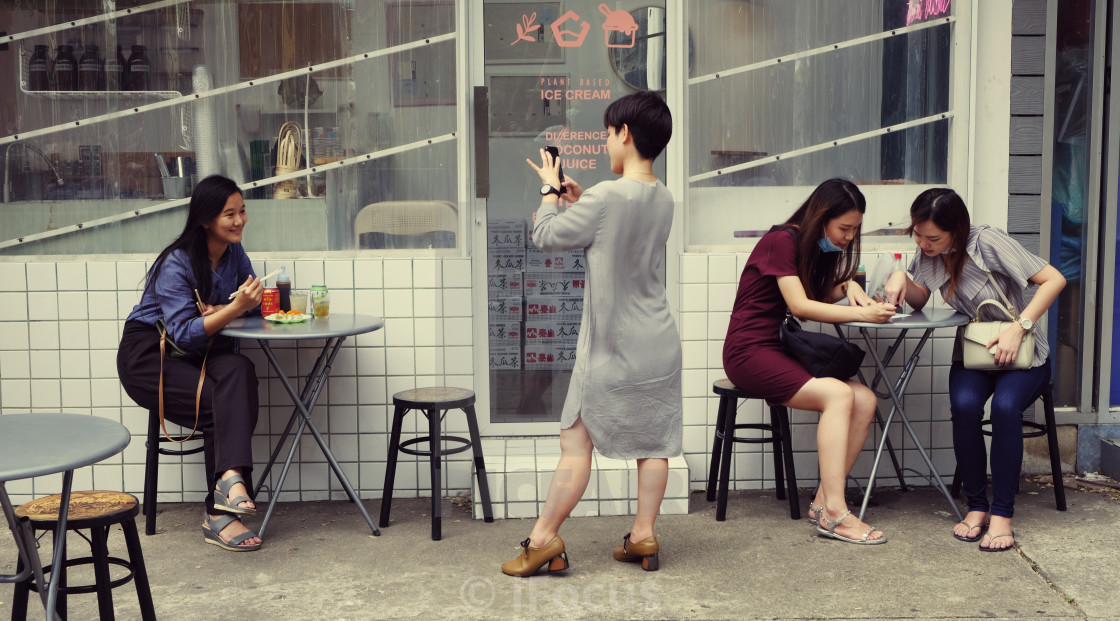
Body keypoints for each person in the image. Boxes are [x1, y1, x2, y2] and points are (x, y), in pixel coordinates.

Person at [501, 91, 682, 576]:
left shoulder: (607, 195)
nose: (605, 142)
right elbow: (613, 233)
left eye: (606, 133)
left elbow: (545, 236)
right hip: (659, 342)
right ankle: (643, 536)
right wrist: (578, 202)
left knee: (575, 443)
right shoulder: (664, 197)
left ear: (625, 133)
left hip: (610, 345)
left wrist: (548, 192)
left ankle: (542, 540)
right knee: (655, 443)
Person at [884, 188, 1065, 551]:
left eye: (933, 237)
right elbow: (920, 298)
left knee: (1004, 409)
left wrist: (1020, 328)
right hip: (976, 352)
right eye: (917, 234)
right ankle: (977, 506)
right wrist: (901, 277)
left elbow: (1054, 279)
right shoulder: (929, 253)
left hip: (1024, 355)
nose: (924, 243)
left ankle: (1002, 515)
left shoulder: (986, 242)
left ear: (957, 229)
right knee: (965, 407)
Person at [723, 178, 896, 545]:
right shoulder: (781, 240)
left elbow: (816, 294)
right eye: (844, 228)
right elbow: (801, 306)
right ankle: (836, 510)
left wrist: (848, 285)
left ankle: (821, 502)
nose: (849, 236)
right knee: (838, 395)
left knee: (864, 398)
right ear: (821, 217)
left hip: (777, 348)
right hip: (749, 351)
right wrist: (864, 315)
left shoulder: (814, 247)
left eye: (855, 229)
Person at [117, 175, 265, 552]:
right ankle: (220, 512)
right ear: (205, 219)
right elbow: (183, 333)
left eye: (242, 211)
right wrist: (231, 309)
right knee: (222, 397)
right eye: (229, 214)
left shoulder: (234, 254)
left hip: (201, 353)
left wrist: (231, 309)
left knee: (239, 371)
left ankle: (228, 483)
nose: (239, 220)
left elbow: (248, 305)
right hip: (150, 356)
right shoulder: (177, 262)